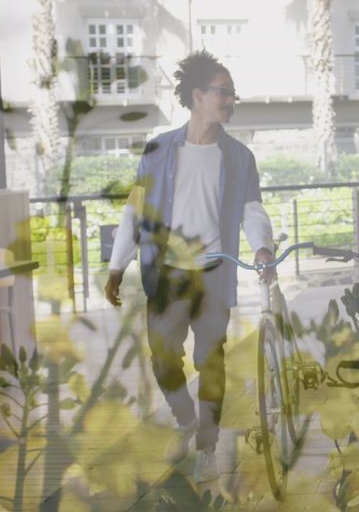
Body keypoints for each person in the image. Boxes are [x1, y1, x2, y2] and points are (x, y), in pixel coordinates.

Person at [105, 51, 275, 482]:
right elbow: (134, 211)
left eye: (233, 94)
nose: (230, 100)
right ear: (198, 96)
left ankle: (208, 444)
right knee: (163, 356)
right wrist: (116, 265)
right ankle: (186, 420)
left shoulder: (238, 157)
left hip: (214, 269)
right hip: (166, 273)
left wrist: (262, 248)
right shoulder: (160, 148)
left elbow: (252, 210)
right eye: (223, 92)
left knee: (210, 359)